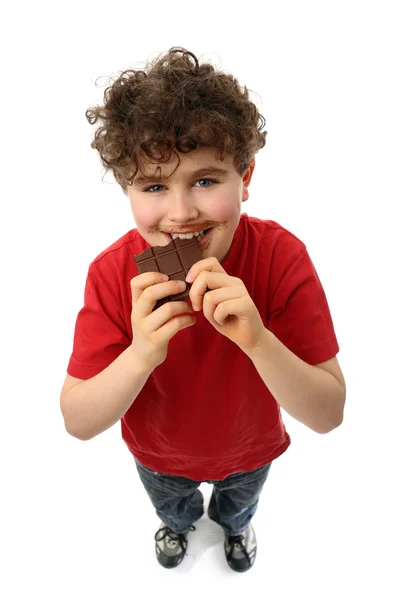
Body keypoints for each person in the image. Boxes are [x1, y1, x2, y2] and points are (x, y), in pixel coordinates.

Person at [60, 47, 346, 573]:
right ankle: (177, 526)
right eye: (153, 185)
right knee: (174, 506)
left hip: (251, 449)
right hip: (159, 455)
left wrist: (258, 339)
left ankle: (236, 530)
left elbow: (328, 414)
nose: (180, 212)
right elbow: (77, 421)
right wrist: (142, 353)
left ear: (246, 176)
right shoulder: (111, 273)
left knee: (239, 508)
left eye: (206, 180)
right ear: (127, 189)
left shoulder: (282, 257)